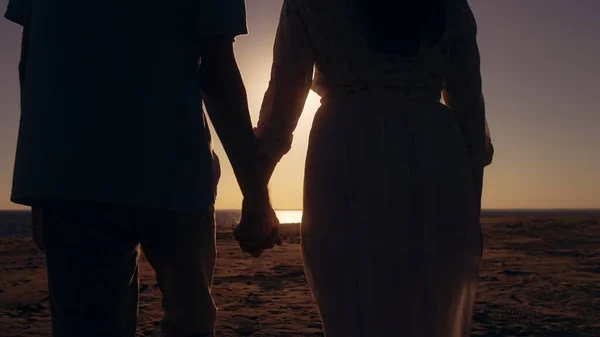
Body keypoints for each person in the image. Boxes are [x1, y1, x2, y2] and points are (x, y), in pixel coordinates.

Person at [5, 0, 279, 336]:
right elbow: (217, 69)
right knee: (189, 322)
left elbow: (30, 60)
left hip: (72, 175)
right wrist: (254, 192)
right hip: (172, 171)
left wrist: (39, 181)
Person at [250, 0, 494, 336]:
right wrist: (471, 215)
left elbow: (281, 109)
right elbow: (470, 115)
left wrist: (256, 195)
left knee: (354, 310)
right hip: (433, 153)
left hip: (347, 149)